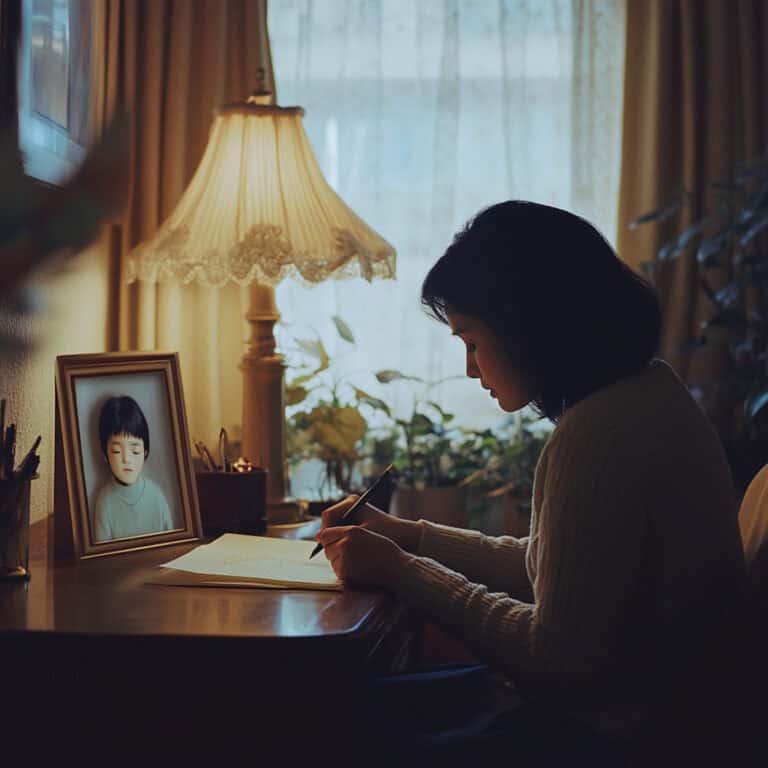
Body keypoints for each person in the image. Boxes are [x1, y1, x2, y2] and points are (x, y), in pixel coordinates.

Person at [315, 201, 755, 766]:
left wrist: (401, 571)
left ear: (528, 324)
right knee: (351, 706)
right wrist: (410, 536)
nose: (471, 369)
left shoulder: (598, 434)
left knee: (333, 722)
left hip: (611, 737)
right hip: (642, 713)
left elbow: (557, 663)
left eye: (471, 341)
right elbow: (556, 570)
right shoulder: (647, 393)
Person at [94, 395, 174, 542]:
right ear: (105, 455)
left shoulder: (156, 496)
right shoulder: (104, 501)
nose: (126, 459)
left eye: (135, 451)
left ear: (145, 452)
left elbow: (172, 545)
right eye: (117, 451)